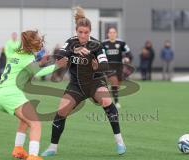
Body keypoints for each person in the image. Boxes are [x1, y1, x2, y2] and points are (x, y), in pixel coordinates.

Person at [41, 7, 126, 157]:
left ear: (90, 32)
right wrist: (73, 51)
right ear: (76, 31)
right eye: (80, 32)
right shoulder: (71, 42)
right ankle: (52, 147)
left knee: (107, 101)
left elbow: (105, 65)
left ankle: (120, 142)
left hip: (95, 83)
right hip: (76, 85)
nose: (83, 35)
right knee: (61, 111)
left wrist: (97, 66)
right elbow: (60, 54)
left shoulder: (96, 45)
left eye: (86, 32)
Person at [0, 30, 68, 160]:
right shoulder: (28, 58)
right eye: (38, 40)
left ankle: (18, 149)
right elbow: (38, 73)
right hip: (11, 94)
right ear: (31, 42)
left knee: (25, 120)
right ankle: (33, 156)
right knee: (35, 123)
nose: (40, 42)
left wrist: (40, 61)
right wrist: (57, 65)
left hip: (0, 94)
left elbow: (26, 68)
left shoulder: (15, 54)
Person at [102, 27, 132, 108]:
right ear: (108, 34)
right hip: (108, 67)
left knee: (117, 85)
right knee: (114, 83)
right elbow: (99, 53)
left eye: (113, 32)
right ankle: (116, 102)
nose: (112, 34)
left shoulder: (121, 43)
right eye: (110, 32)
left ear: (116, 33)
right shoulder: (104, 44)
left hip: (119, 67)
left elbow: (128, 52)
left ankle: (106, 93)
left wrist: (127, 58)